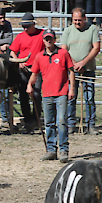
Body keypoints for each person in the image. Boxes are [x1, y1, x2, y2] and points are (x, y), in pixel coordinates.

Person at [26, 29, 75, 163]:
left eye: (50, 38)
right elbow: (34, 73)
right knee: (48, 123)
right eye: (46, 39)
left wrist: (72, 89)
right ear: (43, 40)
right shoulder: (39, 56)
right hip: (46, 94)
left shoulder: (63, 53)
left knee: (61, 121)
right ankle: (51, 150)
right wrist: (30, 84)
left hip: (61, 93)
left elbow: (71, 71)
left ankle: (64, 150)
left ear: (54, 39)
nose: (48, 41)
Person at [61, 7, 101, 135]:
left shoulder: (92, 29)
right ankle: (71, 123)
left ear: (85, 18)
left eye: (79, 20)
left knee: (89, 97)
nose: (77, 22)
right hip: (72, 70)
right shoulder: (68, 31)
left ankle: (91, 124)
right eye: (74, 20)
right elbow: (64, 50)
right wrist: (73, 64)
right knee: (71, 97)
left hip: (88, 69)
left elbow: (96, 48)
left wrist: (83, 62)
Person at [10, 12, 45, 132]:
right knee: (23, 95)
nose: (25, 28)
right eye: (23, 26)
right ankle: (28, 119)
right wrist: (18, 61)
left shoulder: (42, 34)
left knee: (36, 94)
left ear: (33, 24)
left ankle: (36, 118)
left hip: (37, 69)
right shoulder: (20, 36)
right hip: (24, 69)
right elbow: (12, 51)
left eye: (28, 26)